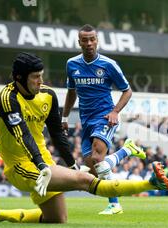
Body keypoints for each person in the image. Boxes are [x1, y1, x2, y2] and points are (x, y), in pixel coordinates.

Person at [0, 52, 168, 224]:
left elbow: (56, 133)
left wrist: (71, 165)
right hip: (20, 166)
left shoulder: (47, 95)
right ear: (19, 78)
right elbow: (23, 135)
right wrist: (42, 166)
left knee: (57, 218)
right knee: (84, 180)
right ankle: (151, 183)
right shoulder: (7, 99)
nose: (40, 81)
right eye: (35, 77)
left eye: (41, 76)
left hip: (43, 160)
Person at [62, 24, 145, 215]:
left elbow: (127, 90)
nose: (89, 43)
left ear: (97, 41)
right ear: (79, 42)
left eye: (92, 39)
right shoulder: (72, 64)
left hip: (105, 117)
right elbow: (71, 92)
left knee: (98, 159)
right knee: (92, 168)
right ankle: (126, 150)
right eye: (85, 40)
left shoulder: (108, 64)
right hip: (86, 120)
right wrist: (64, 116)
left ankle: (115, 205)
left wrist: (115, 112)